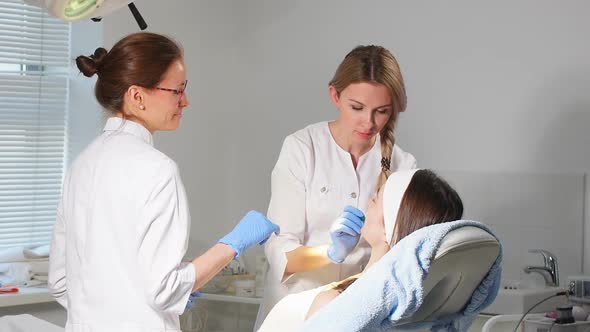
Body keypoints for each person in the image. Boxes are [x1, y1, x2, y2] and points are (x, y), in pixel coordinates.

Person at [47, 32, 279, 332]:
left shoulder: (81, 164)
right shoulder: (157, 170)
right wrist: (233, 245)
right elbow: (164, 290)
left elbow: (60, 282)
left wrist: (113, 306)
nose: (186, 101)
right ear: (137, 96)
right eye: (176, 91)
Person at [255, 45, 417, 328]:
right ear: (335, 95)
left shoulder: (403, 165)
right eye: (357, 108)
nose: (368, 122)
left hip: (357, 314)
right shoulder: (303, 148)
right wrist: (330, 252)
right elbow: (278, 247)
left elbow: (401, 254)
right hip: (295, 311)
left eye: (381, 111)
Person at [257, 169, 464, 331]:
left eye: (375, 199)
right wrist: (331, 252)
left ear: (390, 229)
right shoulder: (421, 307)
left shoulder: (334, 303)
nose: (368, 202)